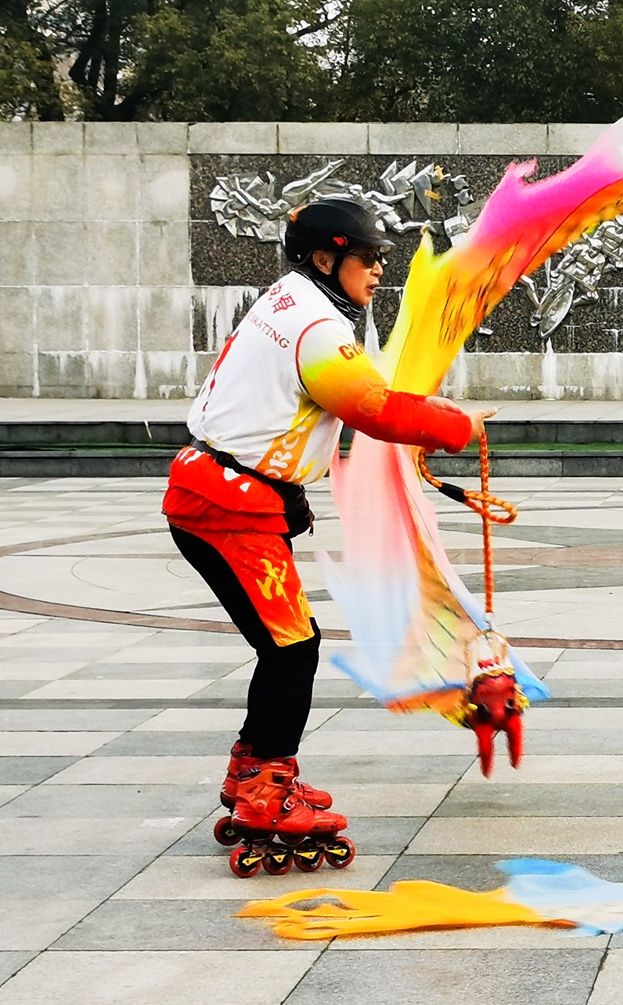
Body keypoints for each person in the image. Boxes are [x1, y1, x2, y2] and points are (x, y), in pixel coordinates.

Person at [164, 197, 494, 856]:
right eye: (367, 258)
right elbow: (370, 408)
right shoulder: (316, 325)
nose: (378, 270)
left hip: (221, 493)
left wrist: (291, 492)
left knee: (284, 645)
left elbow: (321, 399)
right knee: (293, 648)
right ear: (324, 258)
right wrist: (455, 425)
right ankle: (267, 787)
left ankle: (253, 768)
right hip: (228, 508)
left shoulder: (291, 300)